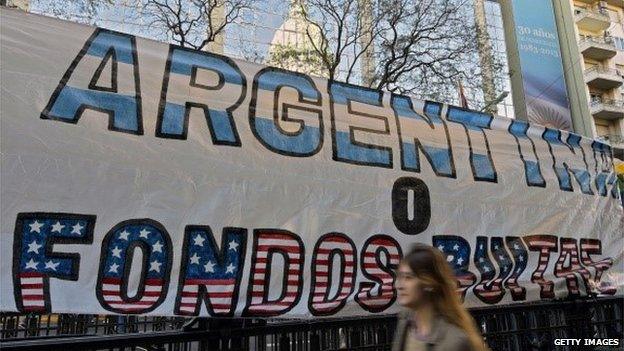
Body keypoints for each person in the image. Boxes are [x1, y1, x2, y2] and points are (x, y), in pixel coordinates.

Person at [392, 244, 488, 351]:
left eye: (408, 278)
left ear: (429, 283)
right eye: (399, 277)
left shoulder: (455, 341)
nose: (399, 285)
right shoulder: (405, 322)